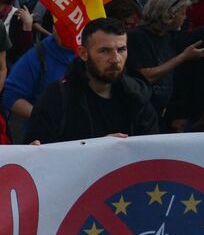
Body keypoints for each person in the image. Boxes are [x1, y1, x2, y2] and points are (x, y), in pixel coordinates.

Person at [28, 17, 160, 143]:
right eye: (104, 51)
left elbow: (151, 153)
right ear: (83, 53)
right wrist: (97, 149)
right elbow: (42, 156)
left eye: (121, 50)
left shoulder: (137, 96)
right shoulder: (57, 98)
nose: (115, 59)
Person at [125, 0, 204, 122]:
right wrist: (184, 57)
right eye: (182, 13)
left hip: (162, 113)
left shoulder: (167, 36)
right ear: (168, 15)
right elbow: (146, 76)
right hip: (140, 113)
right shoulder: (138, 37)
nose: (185, 18)